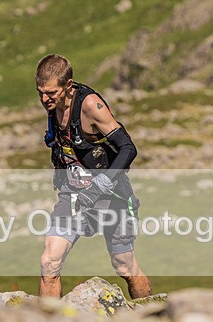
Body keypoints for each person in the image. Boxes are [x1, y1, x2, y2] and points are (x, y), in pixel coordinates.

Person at [35, 53, 152, 299]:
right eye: (40, 93)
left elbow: (128, 148)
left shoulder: (90, 106)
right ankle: (47, 320)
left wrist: (101, 184)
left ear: (68, 85)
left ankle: (148, 313)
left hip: (112, 195)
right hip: (73, 196)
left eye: (51, 93)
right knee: (49, 262)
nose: (45, 100)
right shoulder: (53, 105)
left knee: (123, 265)